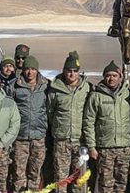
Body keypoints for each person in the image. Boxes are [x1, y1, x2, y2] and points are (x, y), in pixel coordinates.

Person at [83, 60, 130, 193]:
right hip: (105, 148)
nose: (111, 79)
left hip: (124, 148)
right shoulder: (96, 96)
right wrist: (92, 147)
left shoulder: (127, 95)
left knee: (121, 184)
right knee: (105, 185)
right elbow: (88, 122)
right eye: (108, 76)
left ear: (120, 77)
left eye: (114, 76)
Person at [47, 51, 93, 193]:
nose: (72, 74)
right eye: (69, 71)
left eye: (75, 71)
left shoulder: (87, 88)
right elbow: (50, 112)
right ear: (64, 71)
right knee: (61, 179)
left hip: (80, 140)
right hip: (62, 141)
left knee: (79, 179)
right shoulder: (55, 89)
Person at [6, 54, 50, 192]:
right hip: (20, 137)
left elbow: (51, 108)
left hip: (39, 137)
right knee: (19, 174)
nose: (30, 72)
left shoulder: (46, 85)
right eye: (27, 69)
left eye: (33, 69)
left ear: (37, 70)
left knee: (35, 173)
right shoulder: (14, 86)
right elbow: (7, 110)